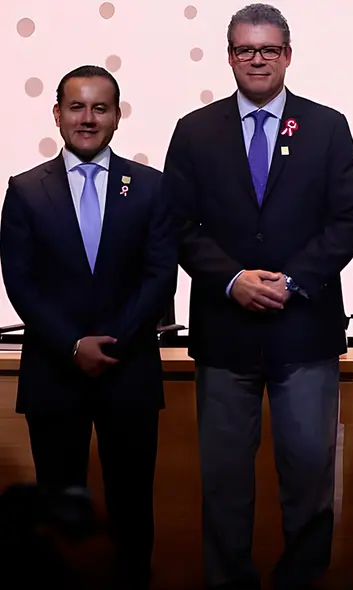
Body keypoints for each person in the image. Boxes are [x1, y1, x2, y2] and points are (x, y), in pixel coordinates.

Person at [161, 4, 353, 589]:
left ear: (287, 55)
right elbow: (178, 225)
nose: (257, 59)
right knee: (224, 482)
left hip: (303, 332)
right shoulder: (194, 130)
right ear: (229, 56)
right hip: (225, 336)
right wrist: (233, 280)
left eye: (269, 49)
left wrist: (292, 280)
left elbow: (348, 216)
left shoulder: (327, 126)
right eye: (245, 49)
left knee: (309, 477)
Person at [0, 65, 176, 589]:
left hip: (130, 373)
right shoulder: (26, 190)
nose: (88, 118)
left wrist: (114, 343)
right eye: (76, 107)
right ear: (57, 114)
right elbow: (21, 281)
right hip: (54, 374)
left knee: (131, 510)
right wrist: (72, 344)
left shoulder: (149, 188)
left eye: (101, 107)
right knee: (58, 512)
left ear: (117, 117)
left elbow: (159, 273)